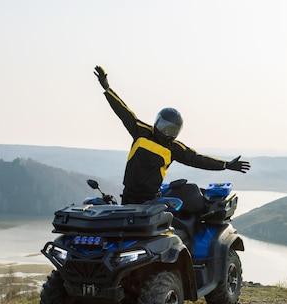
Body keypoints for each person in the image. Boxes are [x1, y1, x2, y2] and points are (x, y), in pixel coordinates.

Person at [94, 65, 250, 204]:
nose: (167, 132)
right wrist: (107, 89)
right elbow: (123, 111)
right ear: (158, 122)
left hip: (150, 201)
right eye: (165, 127)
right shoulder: (141, 131)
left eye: (173, 130)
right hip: (128, 195)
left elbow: (198, 160)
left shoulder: (174, 148)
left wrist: (226, 165)